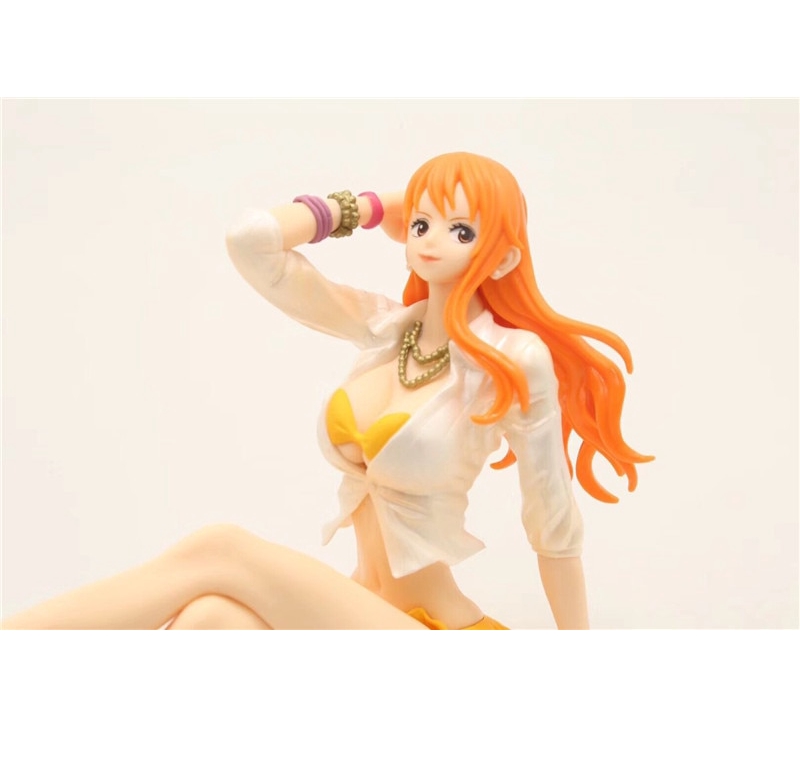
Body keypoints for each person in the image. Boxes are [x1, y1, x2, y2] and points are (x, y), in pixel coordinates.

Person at [2, 152, 651, 631]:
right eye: (423, 223)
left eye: (462, 231)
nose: (432, 241)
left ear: (503, 258)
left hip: (436, 634)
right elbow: (252, 241)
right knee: (208, 620)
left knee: (220, 548)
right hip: (356, 608)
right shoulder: (382, 329)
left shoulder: (512, 358)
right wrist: (369, 207)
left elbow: (553, 524)